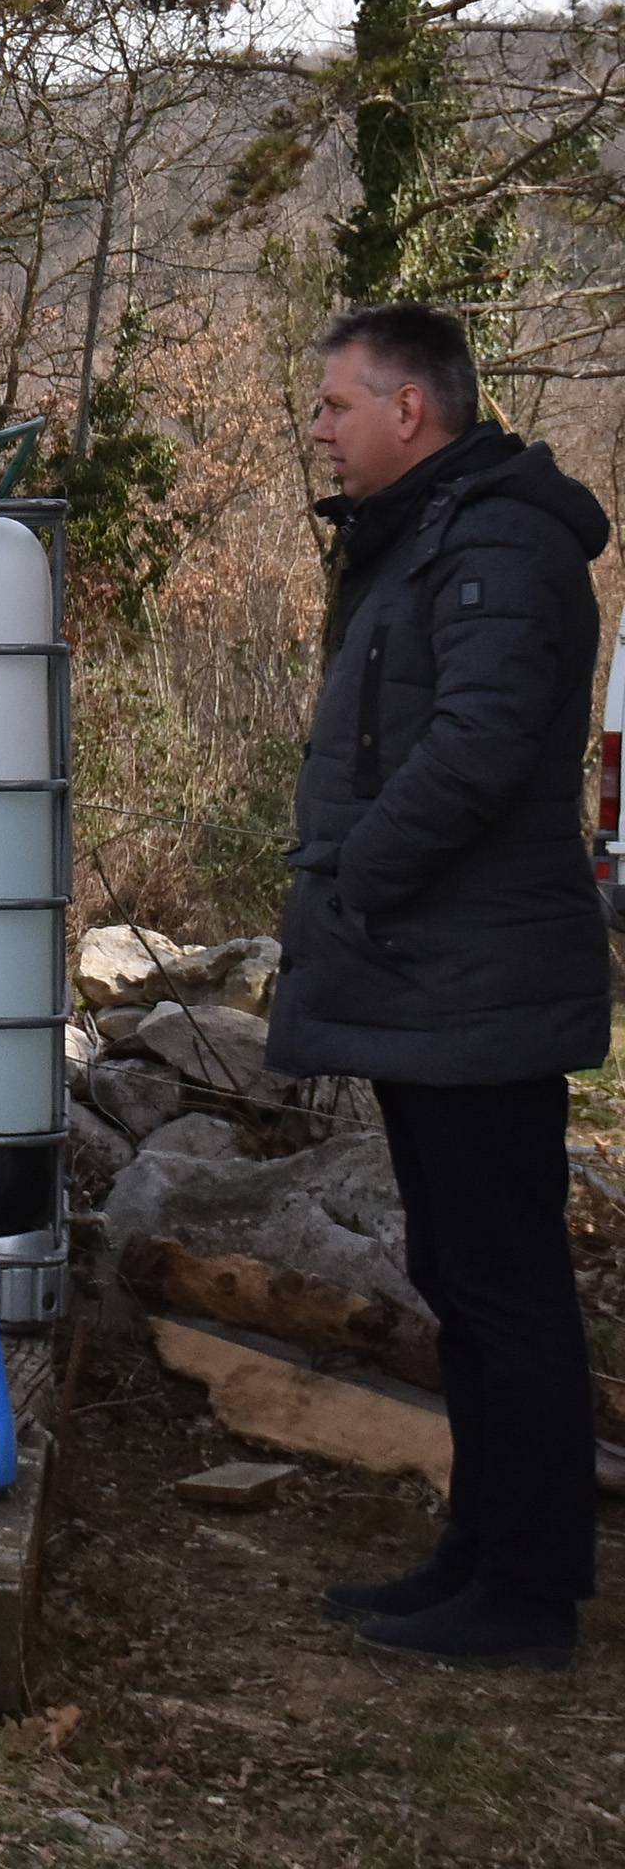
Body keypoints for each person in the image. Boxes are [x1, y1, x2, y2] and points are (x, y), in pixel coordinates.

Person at [267, 303, 611, 1668]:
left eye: (336, 404)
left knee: (508, 1283)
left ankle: (526, 1591)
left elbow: (476, 746)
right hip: (435, 974)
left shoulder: (502, 546)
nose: (320, 426)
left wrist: (358, 872)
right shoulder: (438, 538)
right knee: (464, 1276)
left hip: (478, 974)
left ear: (411, 409)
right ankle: (477, 1552)